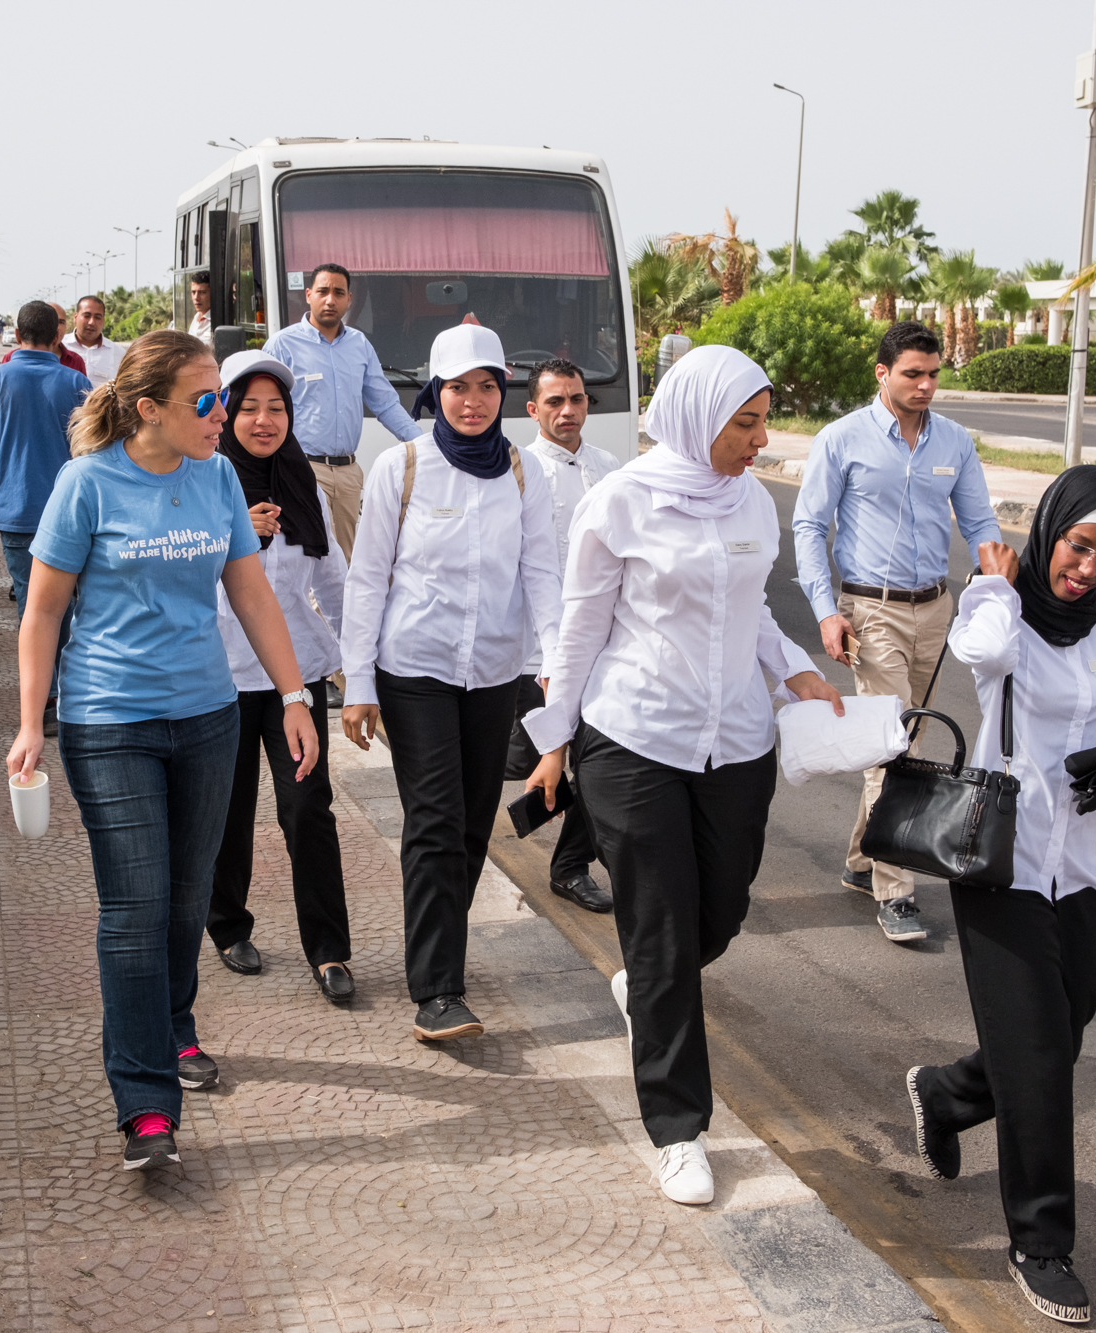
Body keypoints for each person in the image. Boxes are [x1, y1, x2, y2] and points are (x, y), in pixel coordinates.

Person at [522, 345, 843, 1206]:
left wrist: (794, 668)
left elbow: (757, 608)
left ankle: (646, 984)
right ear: (700, 417)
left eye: (763, 420)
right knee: (663, 929)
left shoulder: (752, 502)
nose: (759, 439)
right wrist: (555, 742)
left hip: (736, 740)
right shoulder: (618, 502)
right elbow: (578, 627)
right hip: (635, 739)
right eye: (745, 423)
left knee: (722, 908)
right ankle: (678, 1129)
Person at [5, 330, 321, 1173]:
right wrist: (32, 722)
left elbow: (249, 591)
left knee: (186, 904)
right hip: (110, 724)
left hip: (207, 717)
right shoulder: (86, 485)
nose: (225, 415)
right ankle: (146, 1102)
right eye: (208, 401)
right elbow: (41, 614)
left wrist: (293, 695)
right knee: (136, 909)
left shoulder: (214, 477)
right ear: (149, 409)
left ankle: (175, 1027)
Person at [903, 465, 1096, 1324]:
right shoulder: (1005, 615)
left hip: (1084, 862)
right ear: (1048, 530)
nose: (1091, 567)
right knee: (1037, 1063)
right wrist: (995, 579)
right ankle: (1041, 1244)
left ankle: (946, 1093)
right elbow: (981, 654)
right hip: (1002, 859)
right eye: (1078, 545)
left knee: (1061, 1033)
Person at [339, 323, 562, 1044]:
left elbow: (542, 578)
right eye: (459, 388)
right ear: (435, 393)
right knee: (434, 821)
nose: (474, 401)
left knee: (470, 826)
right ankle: (437, 989)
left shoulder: (525, 473)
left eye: (488, 386)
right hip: (415, 672)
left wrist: (556, 664)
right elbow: (367, 581)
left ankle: (440, 940)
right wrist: (360, 683)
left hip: (494, 673)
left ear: (505, 391)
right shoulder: (400, 468)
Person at [791, 320, 1000, 944]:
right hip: (870, 610)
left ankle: (862, 858)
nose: (926, 385)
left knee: (901, 740)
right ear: (882, 374)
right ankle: (895, 887)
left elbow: (980, 521)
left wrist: (1002, 592)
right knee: (893, 744)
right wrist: (828, 611)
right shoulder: (842, 439)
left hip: (935, 610)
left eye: (934, 374)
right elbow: (809, 528)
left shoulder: (955, 443)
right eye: (913, 373)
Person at [204, 351, 356, 1001]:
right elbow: (187, 587)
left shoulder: (303, 488)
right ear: (227, 411)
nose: (265, 420)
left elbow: (336, 583)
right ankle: (228, 925)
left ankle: (328, 950)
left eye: (278, 408)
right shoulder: (200, 485)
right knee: (227, 812)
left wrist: (362, 669)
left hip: (294, 681)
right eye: (250, 407)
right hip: (219, 680)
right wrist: (236, 536)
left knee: (307, 811)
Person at [502, 358, 621, 914]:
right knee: (525, 761)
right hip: (534, 652)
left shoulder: (612, 468)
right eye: (555, 401)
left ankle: (570, 866)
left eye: (576, 399)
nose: (568, 410)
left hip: (603, 645)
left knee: (594, 764)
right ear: (532, 410)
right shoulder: (515, 471)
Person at [0, 299, 94, 736]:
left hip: (16, 513)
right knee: (74, 606)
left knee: (32, 608)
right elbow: (94, 448)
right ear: (58, 336)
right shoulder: (75, 380)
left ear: (17, 335)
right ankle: (71, 696)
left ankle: (44, 701)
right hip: (72, 513)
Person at [262, 263, 421, 556]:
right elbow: (264, 410)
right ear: (309, 295)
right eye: (323, 291)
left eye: (338, 292)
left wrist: (424, 445)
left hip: (348, 473)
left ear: (349, 299)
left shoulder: (359, 344)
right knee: (308, 556)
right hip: (303, 469)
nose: (330, 300)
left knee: (346, 559)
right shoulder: (283, 345)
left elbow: (385, 403)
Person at [4, 302, 89, 374]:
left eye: (61, 322)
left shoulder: (76, 361)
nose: (56, 326)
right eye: (50, 322)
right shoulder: (11, 358)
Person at [65, 294, 128, 386]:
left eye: (97, 317)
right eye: (86, 316)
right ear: (75, 317)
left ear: (103, 321)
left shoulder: (118, 353)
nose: (91, 322)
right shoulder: (60, 346)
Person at [187, 275, 213, 345]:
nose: (196, 297)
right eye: (193, 292)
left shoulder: (216, 321)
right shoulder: (196, 317)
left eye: (202, 292)